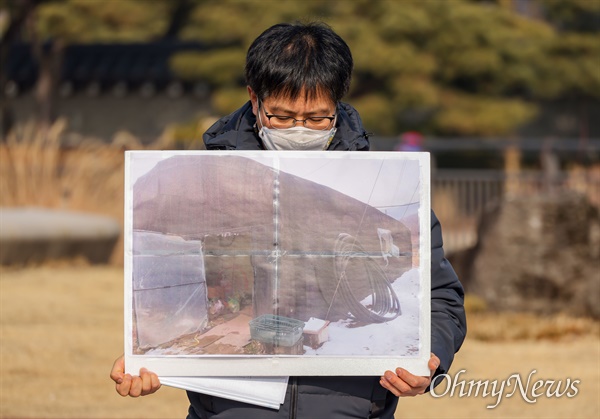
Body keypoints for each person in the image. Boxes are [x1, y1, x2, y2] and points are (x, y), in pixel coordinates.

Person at [111, 21, 466, 418]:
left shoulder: (374, 178)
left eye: (317, 119)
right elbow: (157, 298)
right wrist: (147, 358)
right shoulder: (201, 176)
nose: (300, 129)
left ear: (338, 104)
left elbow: (442, 298)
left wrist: (432, 355)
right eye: (281, 116)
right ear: (254, 99)